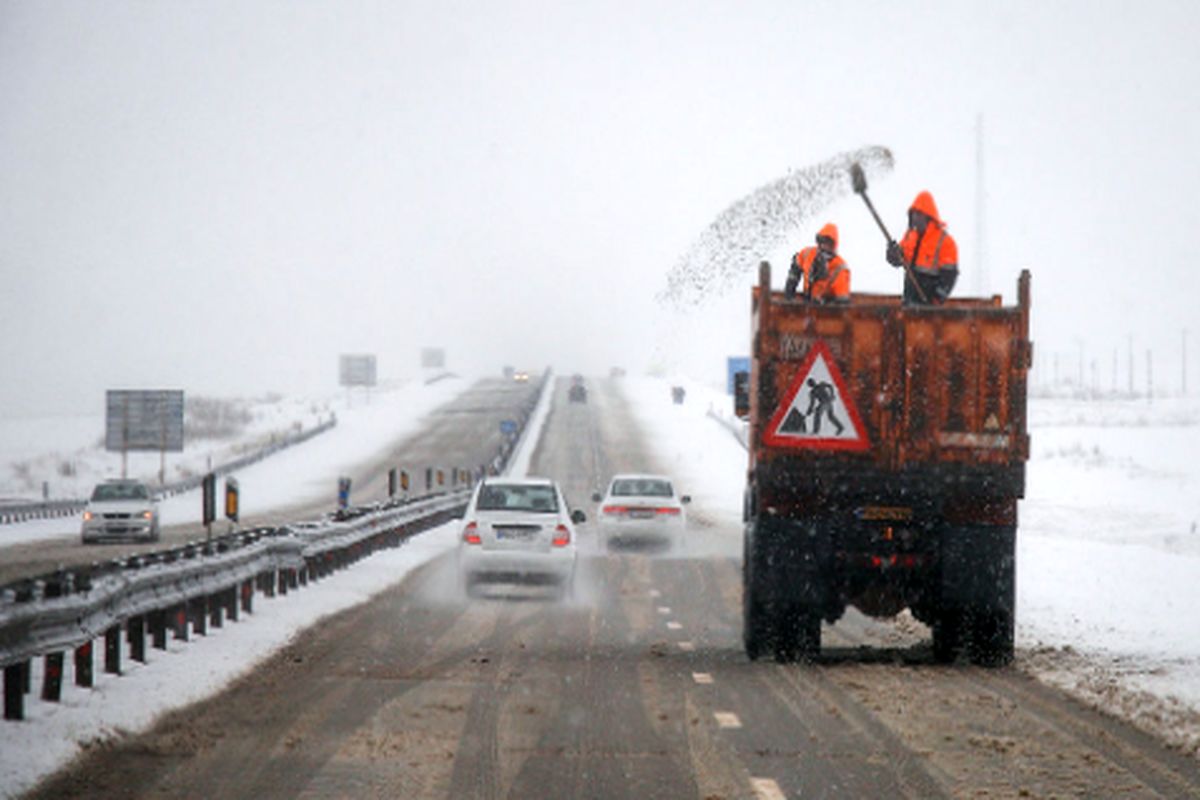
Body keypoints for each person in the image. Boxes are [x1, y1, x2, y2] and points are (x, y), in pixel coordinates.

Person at [886, 191, 958, 305]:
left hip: (929, 308)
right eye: (913, 214)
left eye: (918, 214)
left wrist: (937, 299)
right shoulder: (910, 236)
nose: (915, 218)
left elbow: (949, 276)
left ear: (928, 216)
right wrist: (893, 253)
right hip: (909, 302)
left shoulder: (945, 242)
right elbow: (900, 259)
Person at [784, 223, 851, 303]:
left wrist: (823, 304)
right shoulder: (807, 253)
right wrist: (790, 290)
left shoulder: (840, 268)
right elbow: (795, 267)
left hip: (826, 311)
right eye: (821, 241)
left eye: (827, 243)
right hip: (806, 303)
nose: (823, 246)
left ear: (833, 245)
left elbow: (842, 301)